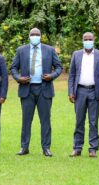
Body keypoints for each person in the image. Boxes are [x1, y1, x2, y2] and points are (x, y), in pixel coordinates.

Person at [11, 28, 62, 157]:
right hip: (27, 89)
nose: (35, 36)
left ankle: (46, 148)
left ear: (41, 36)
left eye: (37, 34)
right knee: (26, 120)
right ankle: (24, 147)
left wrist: (52, 76)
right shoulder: (21, 50)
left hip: (44, 89)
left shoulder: (49, 50)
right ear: (29, 36)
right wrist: (18, 78)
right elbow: (13, 68)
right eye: (32, 34)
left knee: (45, 120)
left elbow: (59, 67)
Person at [68, 32, 99, 158]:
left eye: (90, 39)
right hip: (79, 91)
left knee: (93, 121)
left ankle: (93, 148)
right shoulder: (77, 54)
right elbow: (72, 75)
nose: (88, 41)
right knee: (79, 120)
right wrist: (71, 92)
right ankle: (77, 147)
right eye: (86, 39)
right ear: (82, 40)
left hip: (94, 91)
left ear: (94, 40)